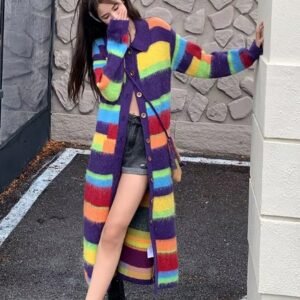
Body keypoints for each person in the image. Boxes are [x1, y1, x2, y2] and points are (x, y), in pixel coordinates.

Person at [67, 0, 264, 299]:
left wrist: (250, 53)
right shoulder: (101, 46)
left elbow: (204, 62)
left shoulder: (159, 33)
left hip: (143, 151)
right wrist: (118, 36)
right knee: (99, 231)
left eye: (114, 10)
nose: (111, 19)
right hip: (107, 152)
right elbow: (109, 89)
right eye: (105, 18)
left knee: (113, 229)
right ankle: (111, 288)